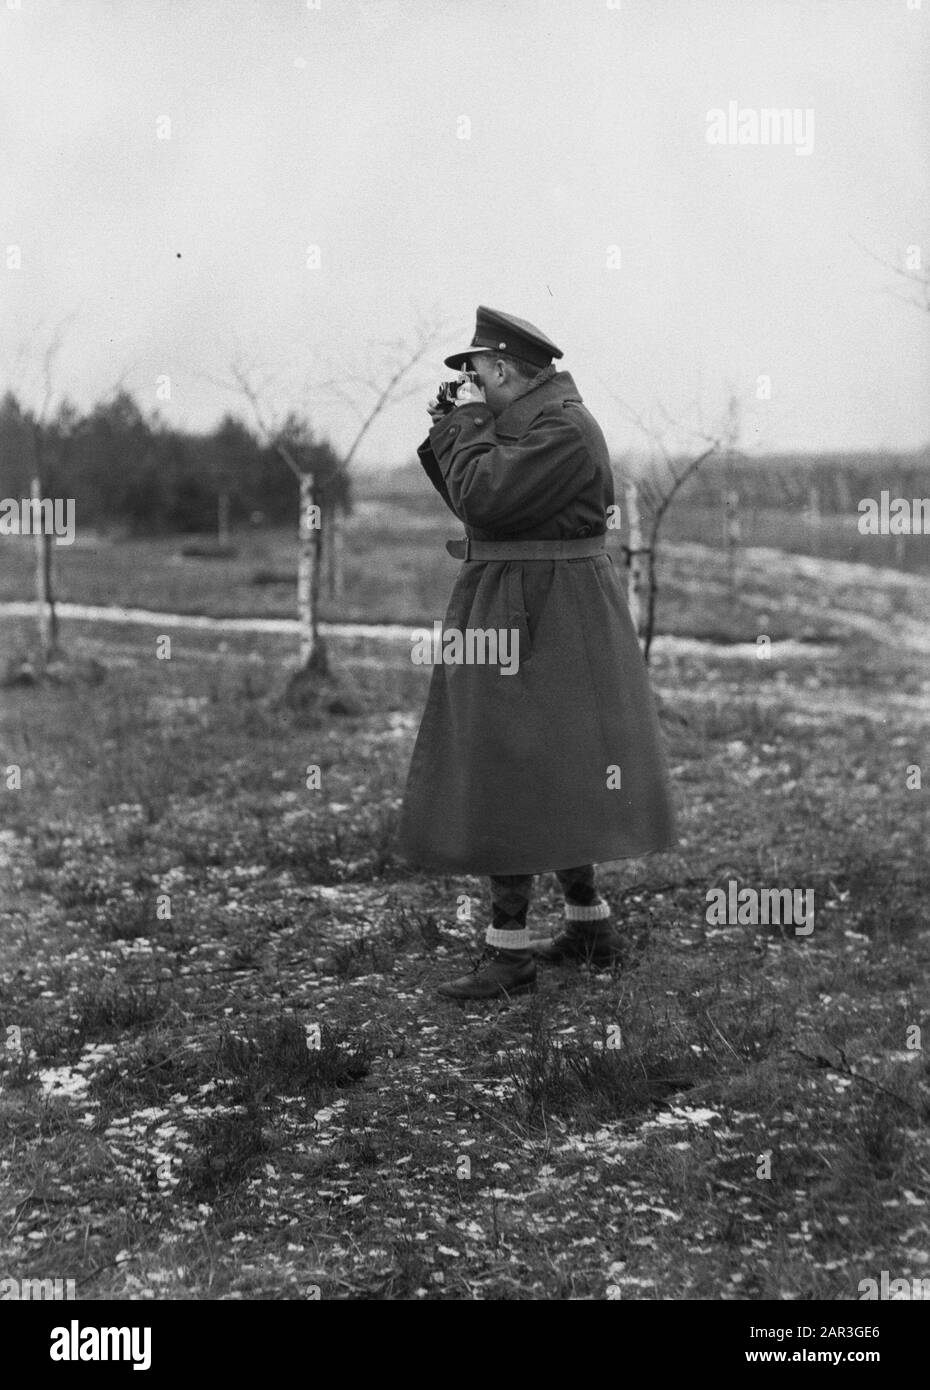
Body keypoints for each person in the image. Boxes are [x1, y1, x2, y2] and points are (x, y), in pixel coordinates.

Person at [398, 306, 676, 1000]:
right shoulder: (538, 424)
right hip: (530, 600)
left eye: (475, 373)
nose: (471, 384)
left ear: (501, 369)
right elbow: (473, 498)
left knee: (513, 764)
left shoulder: (561, 429)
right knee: (554, 765)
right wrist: (455, 425)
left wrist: (464, 423)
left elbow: (483, 497)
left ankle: (509, 952)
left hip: (542, 607)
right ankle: (588, 924)